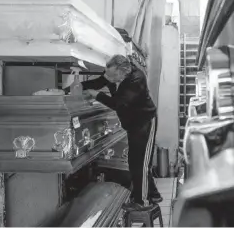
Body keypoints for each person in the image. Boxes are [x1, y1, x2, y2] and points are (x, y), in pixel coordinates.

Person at [64, 54, 162, 209]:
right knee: (135, 162)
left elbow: (119, 104)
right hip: (133, 124)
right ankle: (153, 194)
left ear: (124, 70)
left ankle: (142, 202)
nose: (110, 79)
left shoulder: (136, 79)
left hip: (144, 123)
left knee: (140, 164)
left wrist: (98, 95)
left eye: (114, 76)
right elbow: (97, 82)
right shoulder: (115, 74)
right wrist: (66, 90)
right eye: (108, 75)